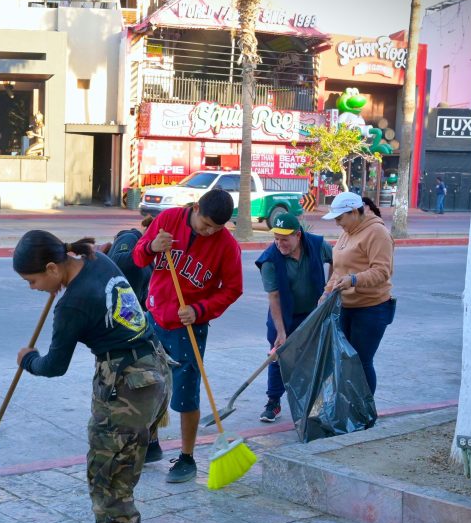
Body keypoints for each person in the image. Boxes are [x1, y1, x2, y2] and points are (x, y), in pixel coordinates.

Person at [14, 230, 170, 523]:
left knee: (110, 483)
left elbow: (53, 366)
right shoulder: (97, 260)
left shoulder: (72, 305)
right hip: (149, 372)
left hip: (127, 389)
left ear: (53, 267)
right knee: (107, 470)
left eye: (34, 281)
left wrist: (27, 360)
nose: (34, 289)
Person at [131, 189, 243, 483]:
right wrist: (153, 246)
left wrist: (200, 309)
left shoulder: (227, 246)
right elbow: (138, 257)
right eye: (206, 225)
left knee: (185, 392)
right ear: (195, 208)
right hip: (154, 317)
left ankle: (186, 457)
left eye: (217, 228)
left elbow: (232, 289)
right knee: (149, 385)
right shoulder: (168, 219)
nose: (209, 233)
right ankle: (151, 443)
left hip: (189, 325)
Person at [254, 213, 332, 423]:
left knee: (312, 359)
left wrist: (330, 289)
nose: (280, 244)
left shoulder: (317, 244)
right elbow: (274, 297)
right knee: (277, 356)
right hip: (283, 315)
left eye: (285, 239)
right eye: (276, 238)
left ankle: (312, 404)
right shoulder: (269, 259)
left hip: (312, 314)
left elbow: (336, 260)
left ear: (298, 235)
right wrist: (281, 331)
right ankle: (273, 402)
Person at [99, 215, 164, 462]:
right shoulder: (129, 238)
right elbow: (121, 265)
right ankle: (147, 443)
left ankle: (147, 444)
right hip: (129, 322)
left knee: (141, 386)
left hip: (138, 324)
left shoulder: (151, 249)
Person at [322, 192, 396, 396]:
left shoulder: (377, 233)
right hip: (346, 307)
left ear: (354, 212)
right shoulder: (347, 231)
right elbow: (338, 269)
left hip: (371, 308)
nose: (338, 224)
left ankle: (365, 411)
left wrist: (354, 280)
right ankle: (349, 409)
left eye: (339, 219)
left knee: (361, 362)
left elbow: (382, 271)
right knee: (346, 360)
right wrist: (325, 294)